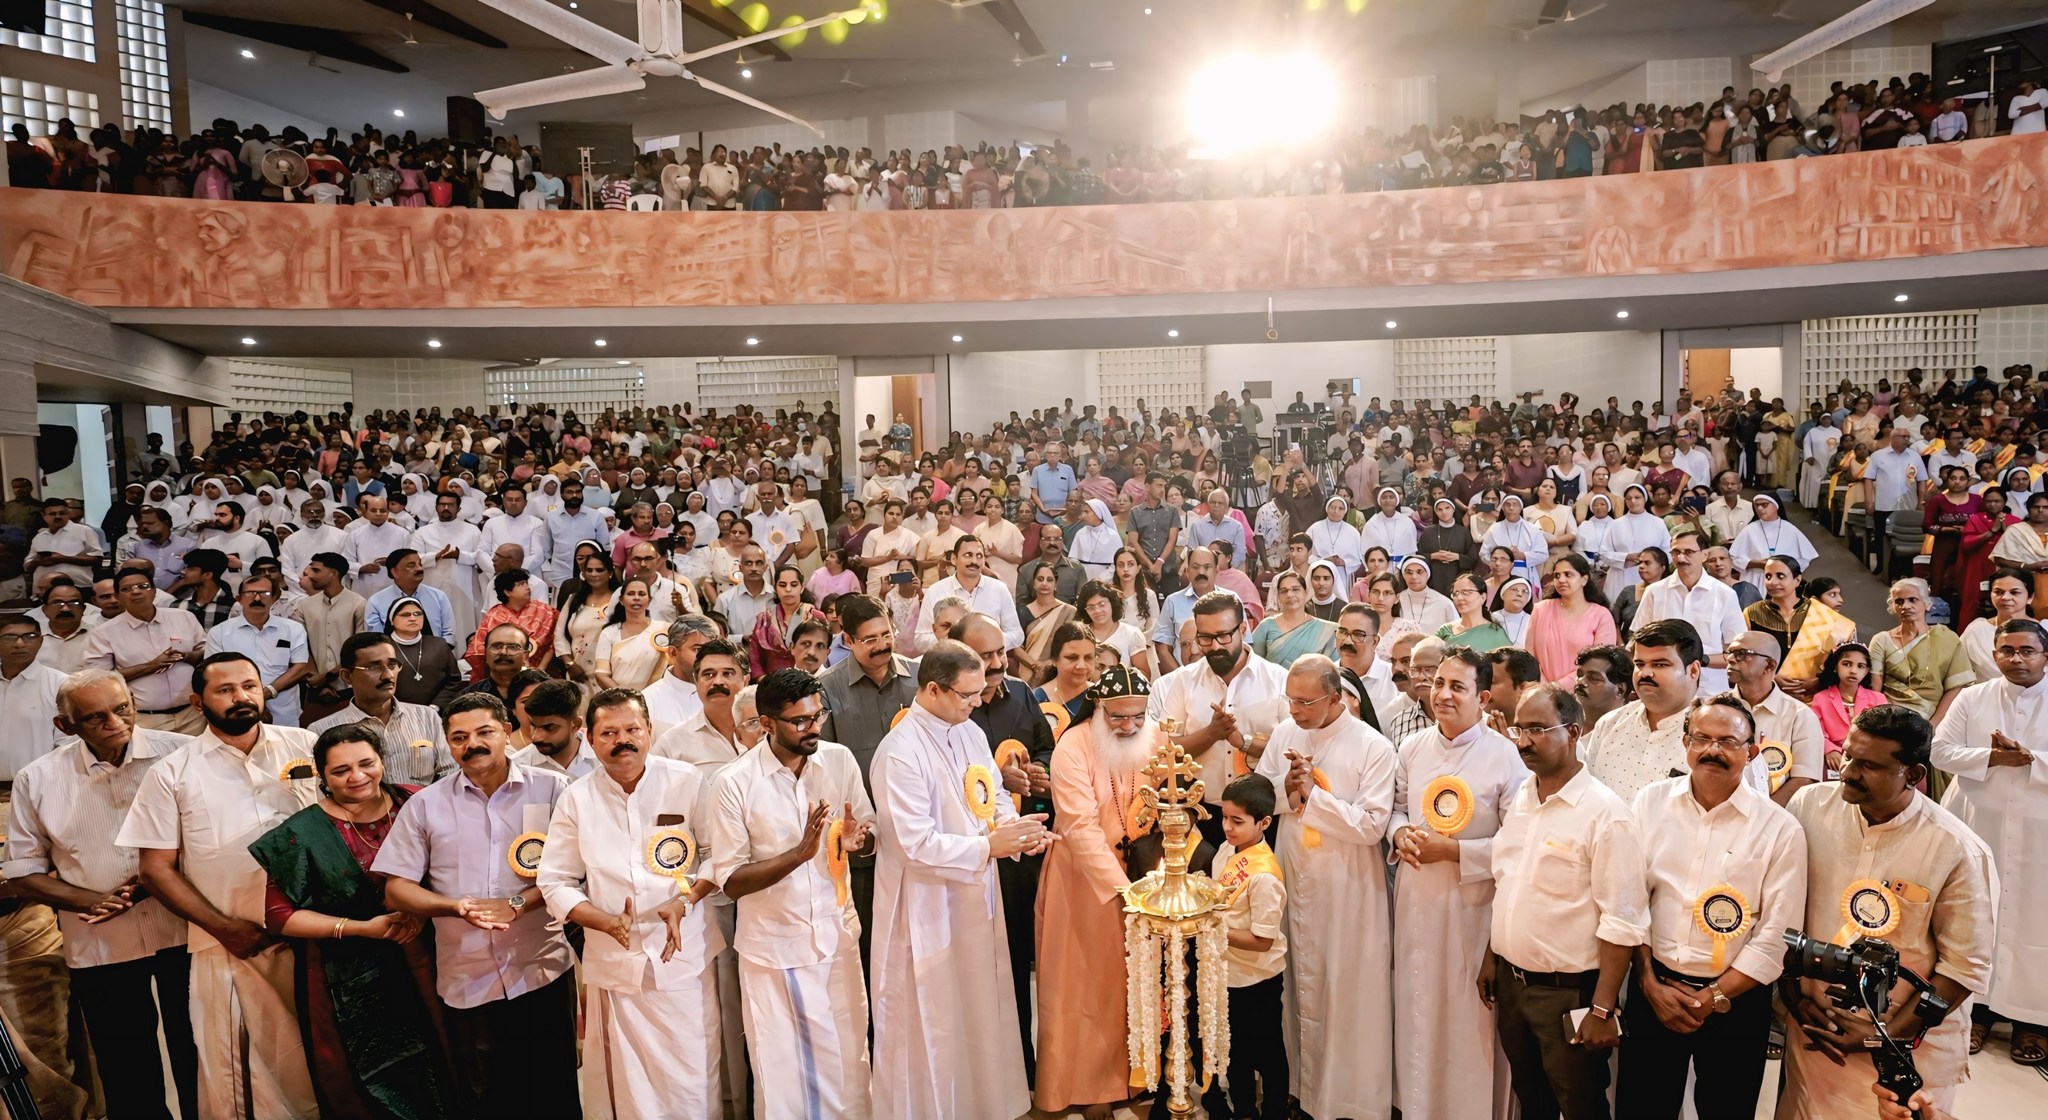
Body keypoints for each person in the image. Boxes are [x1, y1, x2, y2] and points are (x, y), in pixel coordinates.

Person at [118, 652, 322, 1120]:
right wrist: (225, 928)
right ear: (198, 702)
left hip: (317, 938)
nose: (241, 697)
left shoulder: (305, 745)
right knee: (244, 1083)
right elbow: (155, 870)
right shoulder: (173, 772)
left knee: (323, 1064)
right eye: (225, 690)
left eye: (248, 686)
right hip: (234, 946)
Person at [1778, 705, 1995, 1118]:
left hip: (1905, 1053)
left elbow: (1964, 968)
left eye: (1869, 765)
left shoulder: (1956, 849)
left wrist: (1881, 1037)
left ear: (1913, 774)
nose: (1847, 772)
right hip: (1814, 1034)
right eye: (1848, 755)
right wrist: (1793, 999)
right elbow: (1784, 913)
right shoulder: (1809, 807)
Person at [867, 641, 1053, 1119]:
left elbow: (992, 797)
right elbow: (912, 844)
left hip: (976, 896)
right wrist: (989, 848)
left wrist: (1018, 831)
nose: (978, 702)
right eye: (968, 694)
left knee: (980, 1008)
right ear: (933, 689)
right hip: (925, 906)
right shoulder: (900, 752)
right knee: (933, 1020)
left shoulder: (969, 731)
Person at [374, 693, 581, 1118]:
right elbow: (397, 889)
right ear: (448, 745)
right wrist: (454, 906)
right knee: (486, 1099)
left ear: (507, 731)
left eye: (484, 732)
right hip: (468, 975)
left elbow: (575, 872)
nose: (473, 744)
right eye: (459, 737)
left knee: (555, 1093)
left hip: (541, 969)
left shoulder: (553, 789)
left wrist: (518, 903)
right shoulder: (426, 804)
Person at [5, 670, 198, 1120]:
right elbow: (23, 872)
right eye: (95, 717)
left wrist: (157, 879)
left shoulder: (182, 755)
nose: (115, 723)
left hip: (185, 927)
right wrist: (89, 901)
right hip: (101, 941)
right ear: (65, 725)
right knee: (127, 1070)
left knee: (200, 1056)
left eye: (122, 709)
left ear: (134, 703)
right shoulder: (37, 778)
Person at [248, 722, 454, 1118]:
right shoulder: (303, 831)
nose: (357, 776)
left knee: (453, 1055)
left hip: (436, 955)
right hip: (351, 972)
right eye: (341, 770)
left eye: (366, 763)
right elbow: (279, 918)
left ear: (382, 760)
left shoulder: (418, 801)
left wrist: (425, 908)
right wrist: (362, 928)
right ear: (323, 777)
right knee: (377, 1083)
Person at [1615, 694, 1806, 1119]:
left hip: (1738, 1002)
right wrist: (1647, 982)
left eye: (1728, 741)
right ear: (1686, 743)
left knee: (1727, 1110)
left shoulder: (1780, 829)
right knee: (1641, 1110)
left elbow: (1778, 933)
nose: (1712, 750)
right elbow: (1630, 899)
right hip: (1654, 989)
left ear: (1751, 752)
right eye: (1701, 738)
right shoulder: (1649, 803)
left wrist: (1714, 996)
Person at [536, 688, 724, 1120]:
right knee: (629, 1083)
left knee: (692, 1074)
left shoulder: (686, 781)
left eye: (632, 729)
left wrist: (686, 899)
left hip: (684, 958)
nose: (622, 740)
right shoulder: (577, 798)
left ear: (649, 730)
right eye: (609, 733)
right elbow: (554, 879)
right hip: (616, 961)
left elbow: (718, 854)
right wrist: (602, 920)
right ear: (589, 738)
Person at [708, 667, 877, 1118]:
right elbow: (730, 880)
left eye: (818, 716)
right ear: (766, 723)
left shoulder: (838, 760)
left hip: (837, 937)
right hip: (776, 948)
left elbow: (868, 829)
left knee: (849, 1060)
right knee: (788, 1078)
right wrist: (799, 855)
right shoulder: (733, 783)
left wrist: (860, 841)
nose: (813, 727)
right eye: (800, 721)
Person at [1482, 683, 1647, 1120]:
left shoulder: (1606, 814)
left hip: (1568, 993)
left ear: (1573, 732)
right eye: (1519, 729)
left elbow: (1623, 921)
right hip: (1513, 985)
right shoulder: (1524, 796)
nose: (1524, 741)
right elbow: (1509, 883)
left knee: (1580, 1106)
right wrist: (1492, 957)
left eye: (1537, 729)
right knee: (1531, 1102)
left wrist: (1601, 1008)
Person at [1250, 654, 1397, 1119]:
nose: (1295, 710)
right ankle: (1298, 1088)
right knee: (1294, 981)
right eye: (1290, 700)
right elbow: (1260, 797)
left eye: (1306, 702)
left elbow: (1372, 825)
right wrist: (1288, 789)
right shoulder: (1284, 733)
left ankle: (1347, 1100)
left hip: (1347, 886)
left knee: (1344, 987)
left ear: (1335, 698)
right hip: (1293, 872)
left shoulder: (1373, 746)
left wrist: (1312, 797)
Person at [1388, 646, 1524, 1120]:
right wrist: (1400, 834)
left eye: (1457, 687)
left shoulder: (1506, 757)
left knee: (1469, 1019)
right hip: (1418, 898)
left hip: (1474, 906)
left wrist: (1455, 852)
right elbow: (1397, 808)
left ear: (1483, 697)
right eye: (1439, 683)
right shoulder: (1412, 748)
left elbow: (1518, 843)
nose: (1442, 694)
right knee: (1419, 1006)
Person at [1034, 664, 1157, 1118]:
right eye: (1118, 717)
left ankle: (1134, 1078)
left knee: (1133, 984)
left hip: (1141, 878)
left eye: (1137, 716)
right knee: (1081, 987)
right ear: (1099, 709)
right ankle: (1086, 1089)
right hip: (1083, 883)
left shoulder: (1154, 738)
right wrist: (1124, 892)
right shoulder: (1073, 745)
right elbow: (1080, 827)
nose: (1128, 726)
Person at [1930, 618, 2048, 1067]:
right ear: (1994, 654)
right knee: (1979, 915)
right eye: (2006, 650)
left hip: (2040, 830)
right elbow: (1939, 751)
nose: (2016, 659)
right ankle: (1975, 1011)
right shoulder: (1973, 697)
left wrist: (2030, 758)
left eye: (2027, 650)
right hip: (1980, 824)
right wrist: (1992, 757)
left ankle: (2032, 1022)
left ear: (2045, 656)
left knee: (2037, 920)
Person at [1151, 590, 1290, 850]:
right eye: (1205, 638)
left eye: (1224, 636)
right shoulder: (1184, 680)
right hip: (1202, 814)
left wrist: (1243, 742)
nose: (1214, 646)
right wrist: (1211, 734)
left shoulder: (1278, 680)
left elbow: (1290, 751)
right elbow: (1164, 749)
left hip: (1263, 819)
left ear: (1243, 629)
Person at [1197, 773, 1291, 1120]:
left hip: (1257, 980)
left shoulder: (1263, 876)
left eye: (1237, 821)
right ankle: (1244, 1111)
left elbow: (1262, 941)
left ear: (1263, 822)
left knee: (1267, 1055)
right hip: (1228, 974)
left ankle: (1275, 1111)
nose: (1227, 827)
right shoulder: (1227, 850)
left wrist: (1210, 926)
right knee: (1233, 1053)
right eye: (1224, 817)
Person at [308, 632, 454, 788]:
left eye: (392, 665)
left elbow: (449, 774)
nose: (388, 675)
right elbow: (322, 789)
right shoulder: (321, 731)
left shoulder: (426, 717)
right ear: (347, 676)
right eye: (374, 667)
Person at [85, 567, 207, 734]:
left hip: (193, 714)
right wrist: (150, 666)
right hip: (145, 719)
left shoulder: (184, 617)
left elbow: (207, 654)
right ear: (118, 596)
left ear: (154, 591)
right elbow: (99, 679)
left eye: (143, 586)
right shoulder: (104, 632)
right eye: (126, 589)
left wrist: (186, 656)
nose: (136, 592)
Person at [1632, 530, 1746, 693]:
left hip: (1709, 690)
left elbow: (1735, 652)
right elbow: (1638, 642)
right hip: (1663, 687)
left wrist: (1700, 659)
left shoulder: (1725, 594)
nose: (1680, 558)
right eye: (1676, 552)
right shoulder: (1654, 591)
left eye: (1688, 552)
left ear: (1704, 555)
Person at [1726, 630, 1827, 805]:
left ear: (1769, 665)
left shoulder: (1800, 716)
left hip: (1775, 815)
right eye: (1730, 652)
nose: (1730, 659)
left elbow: (1805, 780)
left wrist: (1760, 814)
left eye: (1741, 653)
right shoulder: (1714, 709)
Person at [1867, 576, 1975, 739]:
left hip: (1933, 721)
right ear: (1893, 607)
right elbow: (1874, 689)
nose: (1906, 606)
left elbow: (1956, 687)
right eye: (1899, 601)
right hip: (1889, 720)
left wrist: (1932, 726)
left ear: (1927, 604)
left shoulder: (1947, 638)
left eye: (1913, 600)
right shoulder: (1881, 640)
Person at [204, 574, 311, 727]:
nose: (257, 598)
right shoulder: (219, 632)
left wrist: (268, 692)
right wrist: (250, 697)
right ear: (239, 598)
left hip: (284, 712)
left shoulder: (293, 629)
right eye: (250, 593)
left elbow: (300, 668)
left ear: (275, 598)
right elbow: (215, 672)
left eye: (264, 593)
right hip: (236, 709)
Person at [1527, 554, 1616, 682]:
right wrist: (1543, 687)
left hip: (1583, 688)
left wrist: (1558, 687)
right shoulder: (1540, 610)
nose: (1561, 580)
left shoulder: (1601, 615)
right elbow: (1529, 656)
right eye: (1557, 575)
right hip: (1540, 688)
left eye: (1568, 575)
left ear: (1584, 580)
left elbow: (1601, 662)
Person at [412, 491, 483, 644]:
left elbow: (480, 557)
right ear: (436, 507)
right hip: (432, 585)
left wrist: (459, 555)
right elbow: (414, 559)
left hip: (463, 587)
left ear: (459, 509)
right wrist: (435, 556)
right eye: (442, 504)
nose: (446, 508)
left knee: (462, 623)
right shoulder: (423, 532)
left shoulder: (472, 530)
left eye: (451, 505)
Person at [509, 679, 599, 779]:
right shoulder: (516, 768)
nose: (536, 737)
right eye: (533, 725)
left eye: (549, 727)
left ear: (575, 724)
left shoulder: (602, 760)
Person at [1249, 569, 1338, 666]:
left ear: (1306, 592)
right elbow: (1253, 663)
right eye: (1284, 591)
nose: (1289, 595)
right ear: (1278, 596)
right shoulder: (1267, 625)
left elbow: (1334, 667)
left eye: (1295, 589)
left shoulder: (1325, 630)